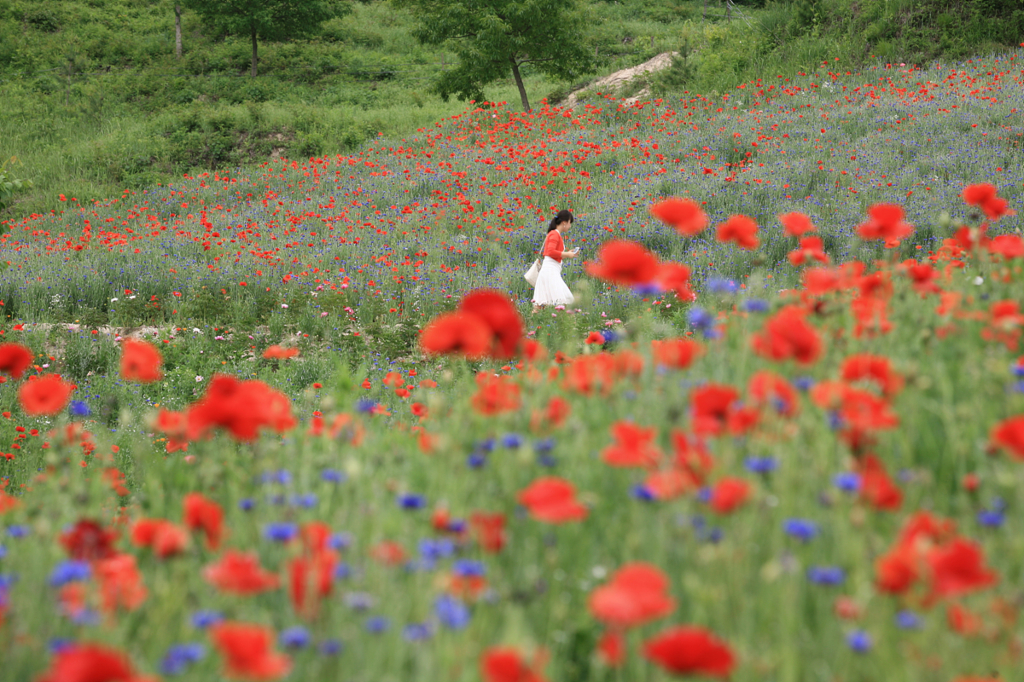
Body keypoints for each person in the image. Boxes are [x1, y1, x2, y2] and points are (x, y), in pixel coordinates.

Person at [532, 209, 579, 307]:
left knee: (542, 304)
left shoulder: (554, 234)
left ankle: (529, 322)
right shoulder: (554, 234)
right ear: (564, 223)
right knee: (564, 300)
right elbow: (550, 252)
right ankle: (569, 321)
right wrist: (567, 254)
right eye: (570, 223)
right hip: (550, 272)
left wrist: (568, 253)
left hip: (551, 271)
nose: (570, 226)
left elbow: (554, 253)